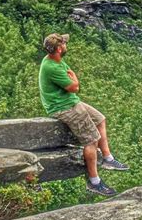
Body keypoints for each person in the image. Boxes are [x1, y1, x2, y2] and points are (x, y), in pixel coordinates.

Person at [38, 33, 129, 196]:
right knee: (92, 140)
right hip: (63, 107)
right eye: (64, 43)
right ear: (59, 48)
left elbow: (70, 78)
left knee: (100, 119)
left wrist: (72, 79)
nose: (66, 45)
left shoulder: (56, 59)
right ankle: (94, 182)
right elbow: (74, 87)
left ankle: (108, 159)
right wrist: (75, 79)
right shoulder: (51, 67)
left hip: (70, 101)